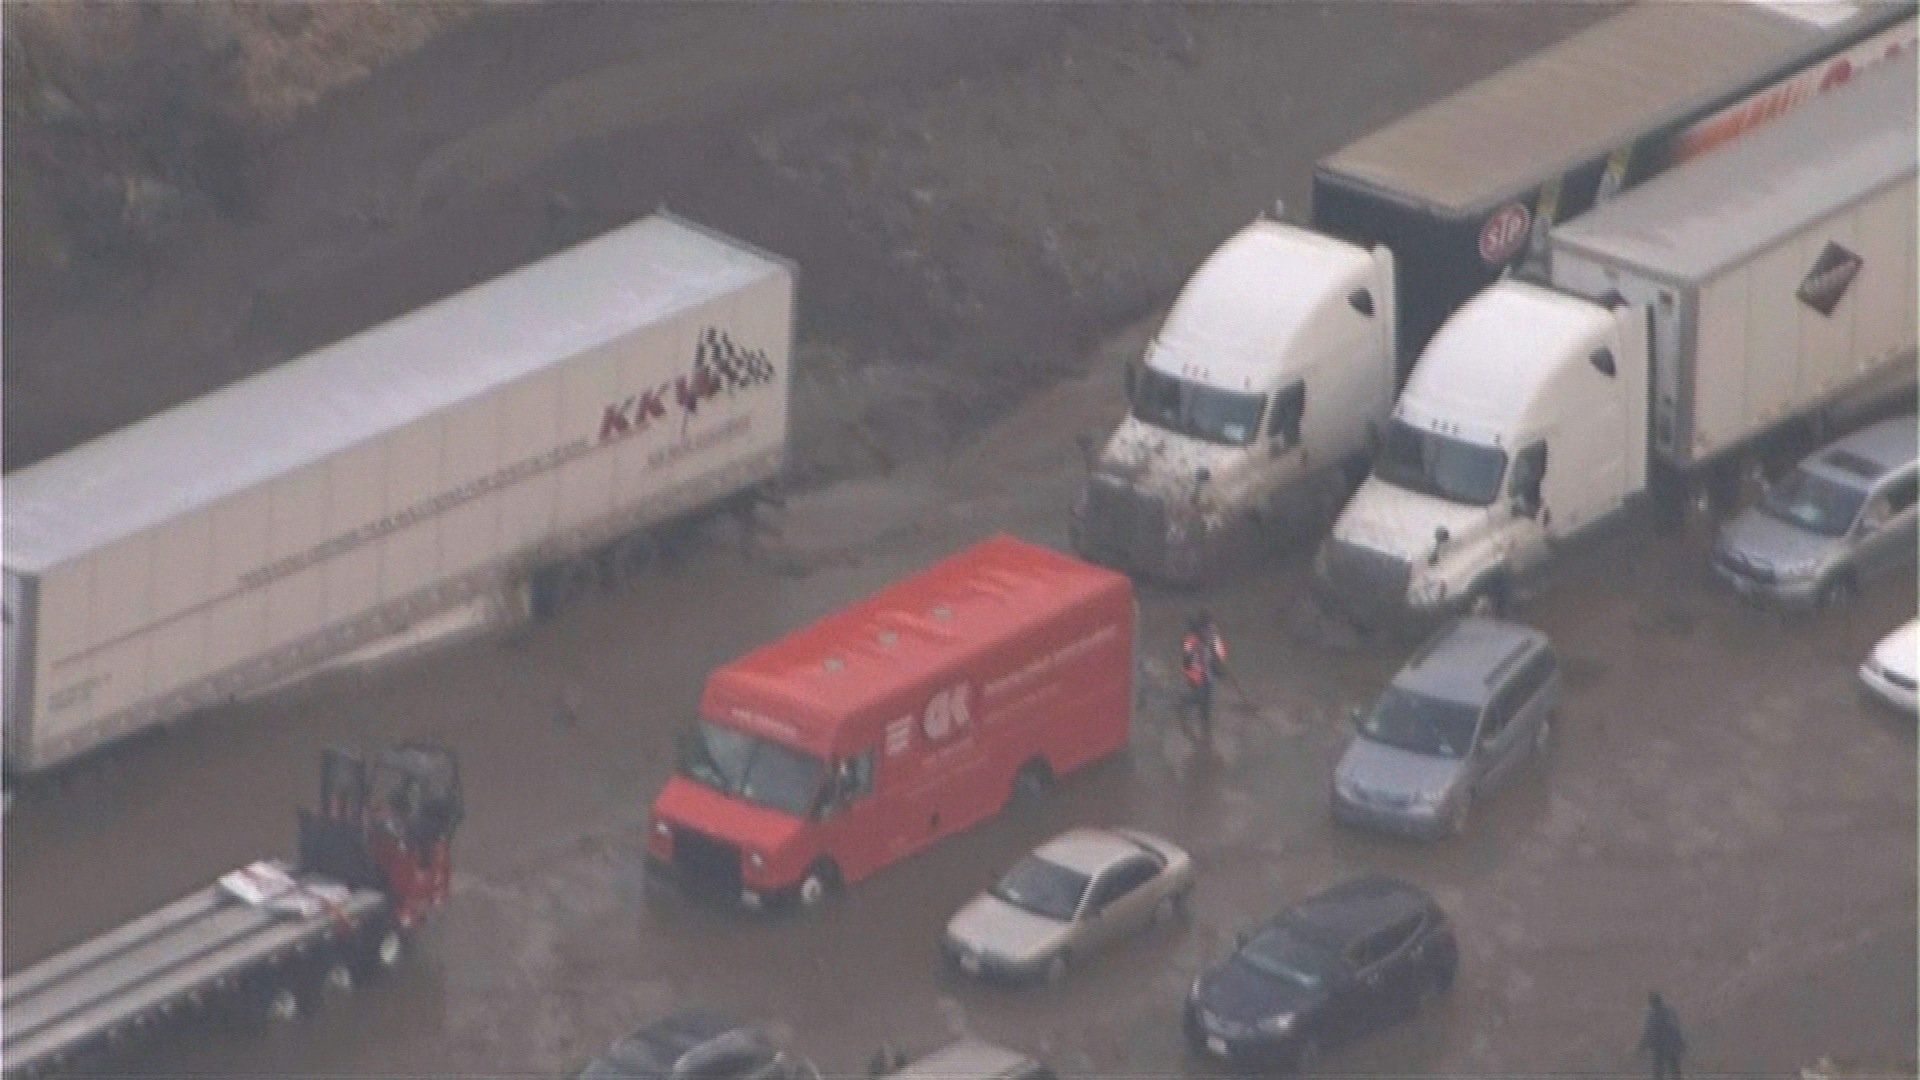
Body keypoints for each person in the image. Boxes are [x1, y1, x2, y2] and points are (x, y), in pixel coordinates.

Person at [1180, 610, 1229, 745]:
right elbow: (1187, 659)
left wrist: (1220, 663)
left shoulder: (1213, 635)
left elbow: (1220, 652)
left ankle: (1205, 719)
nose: (1207, 632)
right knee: (1199, 695)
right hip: (1197, 673)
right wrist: (1190, 675)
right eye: (1204, 629)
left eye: (1208, 628)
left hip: (1210, 672)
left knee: (1209, 696)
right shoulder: (1191, 640)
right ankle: (1185, 704)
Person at [1639, 990, 1687, 1080]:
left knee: (1667, 1069)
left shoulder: (1651, 1014)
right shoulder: (1668, 1011)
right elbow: (1676, 1028)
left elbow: (1648, 1031)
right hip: (1665, 1044)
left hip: (1663, 1044)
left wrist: (1642, 1045)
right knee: (1668, 1069)